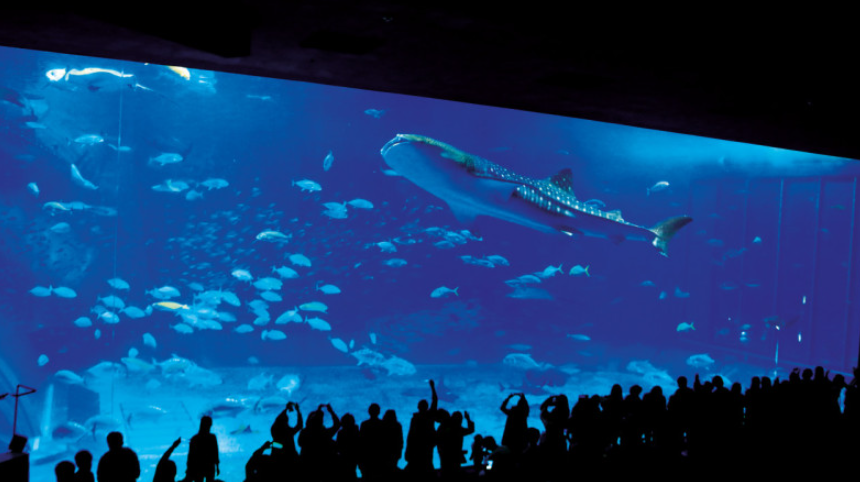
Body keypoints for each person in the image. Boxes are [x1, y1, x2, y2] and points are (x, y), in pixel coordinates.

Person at [405, 379, 438, 478]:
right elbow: (435, 400)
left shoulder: (415, 419)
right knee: (428, 463)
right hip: (428, 444)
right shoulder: (429, 415)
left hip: (417, 445)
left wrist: (408, 449)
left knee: (418, 464)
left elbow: (410, 435)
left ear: (418, 407)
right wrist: (432, 387)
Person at [186, 416, 220, 482]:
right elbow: (215, 453)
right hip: (209, 466)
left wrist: (189, 468)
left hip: (198, 466)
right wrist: (217, 465)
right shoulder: (212, 437)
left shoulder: (194, 438)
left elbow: (190, 455)